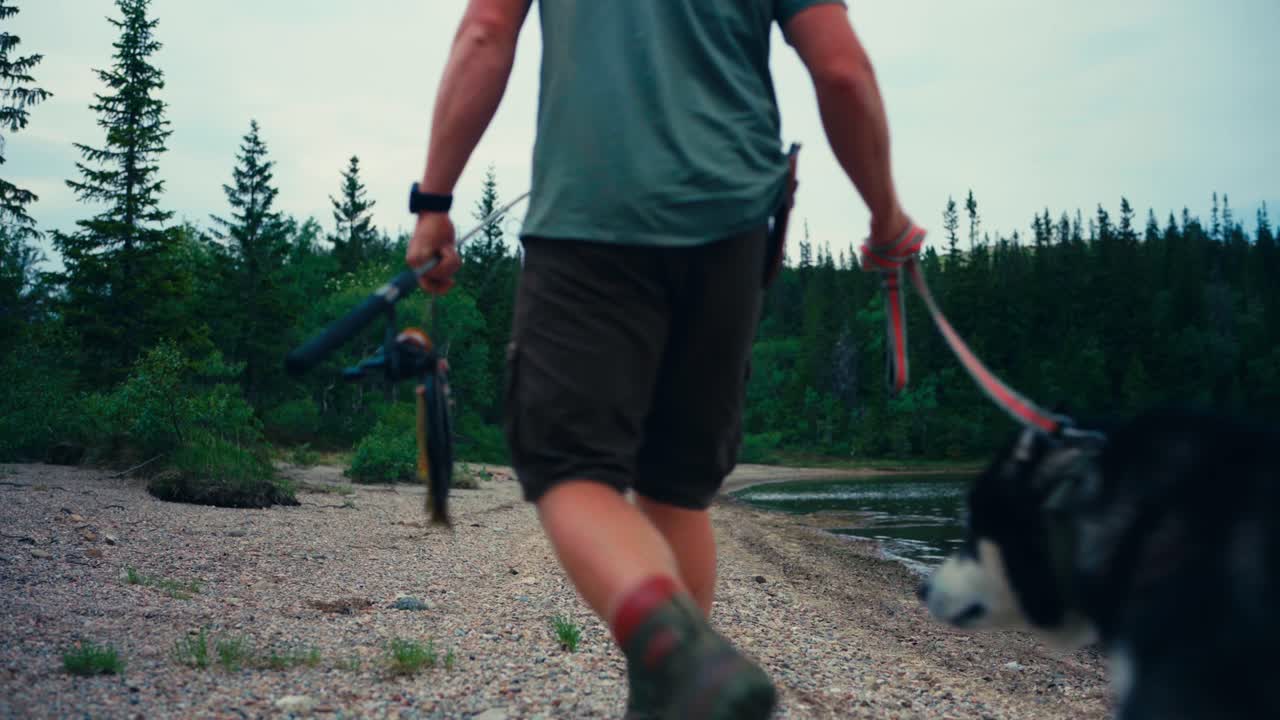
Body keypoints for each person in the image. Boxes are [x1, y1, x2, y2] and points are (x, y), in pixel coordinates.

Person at [406, 1, 914, 717]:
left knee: (567, 464)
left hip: (592, 215)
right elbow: (842, 71)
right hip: (731, 231)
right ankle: (684, 690)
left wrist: (433, 200)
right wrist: (885, 216)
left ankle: (680, 654)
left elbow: (487, 32)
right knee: (675, 485)